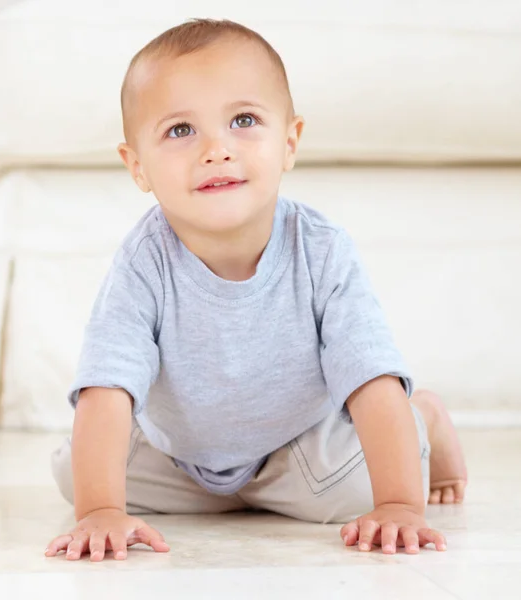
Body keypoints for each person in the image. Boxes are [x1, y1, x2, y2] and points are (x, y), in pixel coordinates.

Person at [45, 18, 467, 562]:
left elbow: (368, 377)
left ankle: (424, 416)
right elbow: (108, 386)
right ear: (138, 167)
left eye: (243, 120)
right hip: (180, 457)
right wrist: (101, 512)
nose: (217, 150)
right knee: (76, 477)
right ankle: (200, 495)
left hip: (298, 447)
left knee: (362, 488)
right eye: (180, 131)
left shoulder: (320, 252)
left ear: (289, 142)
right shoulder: (143, 261)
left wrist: (401, 505)